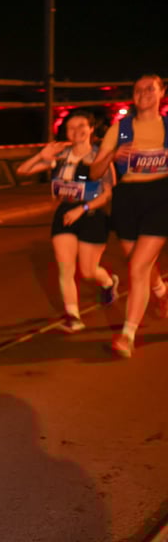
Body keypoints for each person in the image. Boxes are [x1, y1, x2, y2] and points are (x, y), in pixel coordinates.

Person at [17, 111, 119, 332]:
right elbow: (22, 171)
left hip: (91, 213)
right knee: (65, 267)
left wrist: (83, 209)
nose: (76, 131)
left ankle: (108, 282)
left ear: (91, 129)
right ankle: (73, 316)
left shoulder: (99, 157)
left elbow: (108, 194)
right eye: (71, 127)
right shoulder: (61, 155)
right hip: (65, 212)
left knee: (88, 271)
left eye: (82, 126)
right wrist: (41, 155)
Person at [89, 74, 168, 358]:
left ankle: (127, 335)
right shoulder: (121, 130)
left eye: (150, 89)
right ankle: (162, 292)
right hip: (127, 199)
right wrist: (112, 156)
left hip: (160, 197)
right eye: (138, 90)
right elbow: (94, 173)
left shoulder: (167, 127)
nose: (143, 93)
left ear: (161, 93)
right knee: (140, 263)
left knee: (137, 268)